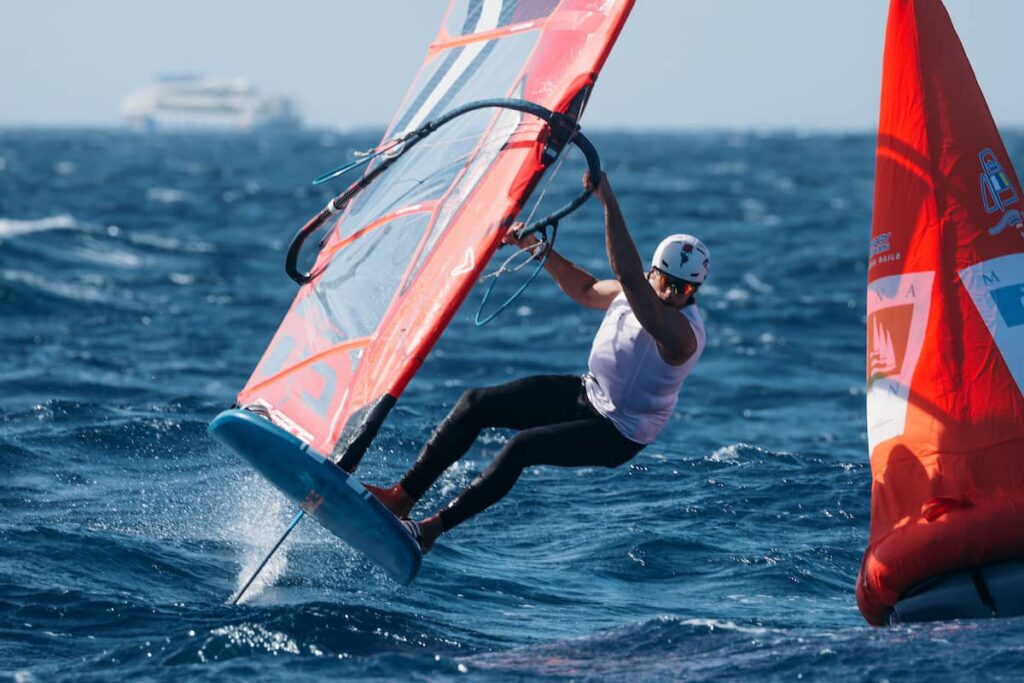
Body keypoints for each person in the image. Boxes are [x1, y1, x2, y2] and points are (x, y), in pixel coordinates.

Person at [366, 172, 709, 553]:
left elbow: (627, 276)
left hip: (618, 433)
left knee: (521, 448)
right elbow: (587, 289)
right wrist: (535, 248)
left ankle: (429, 531)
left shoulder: (681, 335)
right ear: (655, 272)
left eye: (687, 289)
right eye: (669, 283)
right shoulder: (639, 287)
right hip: (588, 395)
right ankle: (402, 496)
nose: (675, 294)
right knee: (475, 403)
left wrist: (607, 200)